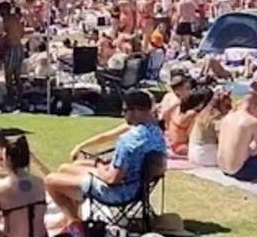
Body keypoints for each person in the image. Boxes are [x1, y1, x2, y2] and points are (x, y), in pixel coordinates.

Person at [45, 90, 167, 223]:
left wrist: (99, 165)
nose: (122, 114)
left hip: (117, 193)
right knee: (66, 169)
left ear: (137, 111)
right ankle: (75, 215)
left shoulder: (128, 140)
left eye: (125, 110)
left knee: (50, 181)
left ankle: (75, 223)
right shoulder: (158, 134)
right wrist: (110, 164)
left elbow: (111, 179)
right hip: (138, 187)